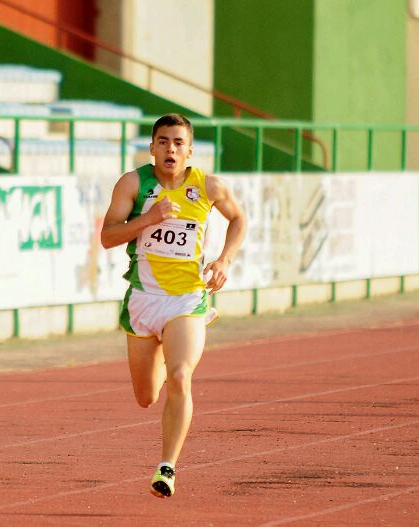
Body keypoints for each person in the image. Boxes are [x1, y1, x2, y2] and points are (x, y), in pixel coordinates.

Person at [101, 113, 246, 498]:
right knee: (147, 397)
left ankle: (167, 467)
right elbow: (107, 236)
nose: (171, 149)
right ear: (152, 148)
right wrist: (147, 219)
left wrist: (225, 259)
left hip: (187, 298)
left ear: (190, 150)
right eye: (163, 141)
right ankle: (167, 344)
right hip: (143, 301)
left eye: (179, 143)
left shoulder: (209, 186)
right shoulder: (134, 183)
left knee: (181, 377)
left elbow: (239, 219)